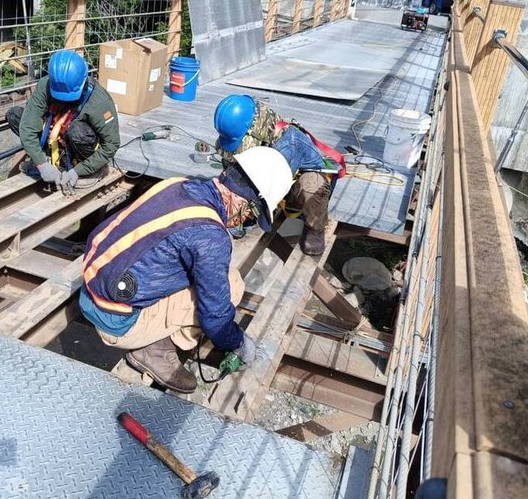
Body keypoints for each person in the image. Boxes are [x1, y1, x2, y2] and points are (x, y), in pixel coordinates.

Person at [80, 146, 294, 393]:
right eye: (250, 217)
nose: (243, 223)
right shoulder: (210, 237)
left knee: (203, 274)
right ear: (245, 204)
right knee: (232, 285)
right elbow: (215, 318)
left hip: (93, 284)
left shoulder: (178, 184)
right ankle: (156, 351)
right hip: (116, 323)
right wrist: (238, 342)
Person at [213, 94, 346, 256]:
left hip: (296, 181)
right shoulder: (252, 129)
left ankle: (315, 228)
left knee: (311, 186)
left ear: (252, 130)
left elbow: (266, 188)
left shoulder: (288, 144)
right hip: (275, 172)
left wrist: (243, 216)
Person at [5, 49, 120, 194]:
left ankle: (92, 169)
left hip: (78, 140)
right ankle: (46, 158)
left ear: (84, 80)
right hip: (55, 135)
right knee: (15, 115)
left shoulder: (99, 102)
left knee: (77, 131)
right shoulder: (45, 86)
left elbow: (111, 144)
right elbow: (27, 127)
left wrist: (79, 171)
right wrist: (42, 164)